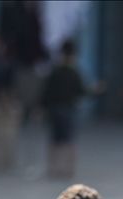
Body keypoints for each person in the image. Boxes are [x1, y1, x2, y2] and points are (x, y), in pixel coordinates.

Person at [40, 38, 86, 178]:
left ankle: (53, 169)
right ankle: (68, 170)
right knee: (69, 140)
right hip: (68, 108)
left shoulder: (55, 71)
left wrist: (42, 106)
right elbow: (81, 91)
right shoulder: (74, 72)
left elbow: (47, 91)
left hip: (55, 108)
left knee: (55, 139)